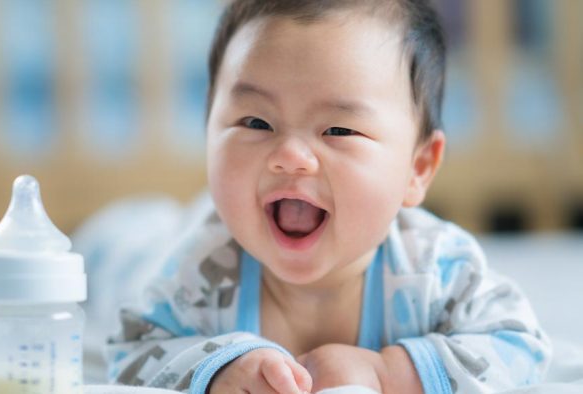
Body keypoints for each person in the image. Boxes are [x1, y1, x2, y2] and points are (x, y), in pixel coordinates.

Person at [105, 1, 551, 393]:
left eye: (338, 130)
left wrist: (388, 373)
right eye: (256, 123)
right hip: (156, 240)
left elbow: (519, 343)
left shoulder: (434, 268)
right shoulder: (201, 270)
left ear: (417, 168)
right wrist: (216, 368)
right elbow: (129, 349)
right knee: (121, 249)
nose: (290, 157)